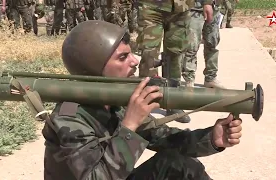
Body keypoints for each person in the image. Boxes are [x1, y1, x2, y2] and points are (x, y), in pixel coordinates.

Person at [42, 20, 244, 180]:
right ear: (94, 69)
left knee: (178, 165)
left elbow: (164, 139)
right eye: (122, 58)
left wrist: (211, 139)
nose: (135, 61)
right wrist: (129, 125)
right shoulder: (69, 117)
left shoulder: (115, 100)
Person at [182, 0, 225, 88]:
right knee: (192, 45)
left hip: (214, 7)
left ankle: (211, 78)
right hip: (195, 9)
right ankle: (189, 80)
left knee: (212, 43)